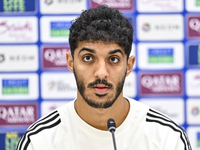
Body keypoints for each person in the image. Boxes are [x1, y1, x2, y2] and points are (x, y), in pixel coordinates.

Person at [17, 5, 192, 150]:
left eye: (113, 59)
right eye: (88, 58)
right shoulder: (40, 141)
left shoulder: (168, 138)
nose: (101, 72)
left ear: (129, 65)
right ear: (70, 62)